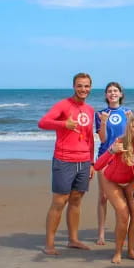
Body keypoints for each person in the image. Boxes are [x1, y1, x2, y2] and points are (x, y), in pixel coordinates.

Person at [38, 73, 94, 255]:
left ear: (90, 88)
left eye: (86, 86)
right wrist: (63, 124)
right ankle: (50, 244)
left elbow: (90, 139)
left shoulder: (90, 110)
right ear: (74, 87)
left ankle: (73, 240)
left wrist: (92, 162)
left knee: (76, 200)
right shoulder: (64, 105)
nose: (83, 89)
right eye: (79, 86)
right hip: (64, 160)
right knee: (59, 201)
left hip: (84, 161)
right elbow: (43, 122)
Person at [94, 115, 134, 264]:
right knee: (123, 214)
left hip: (131, 180)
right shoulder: (120, 141)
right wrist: (111, 151)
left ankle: (132, 251)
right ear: (129, 128)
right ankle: (118, 252)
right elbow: (98, 166)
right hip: (111, 181)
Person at [94, 82, 131, 245]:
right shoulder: (100, 114)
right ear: (106, 95)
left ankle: (121, 230)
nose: (112, 93)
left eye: (115, 91)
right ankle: (101, 233)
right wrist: (103, 122)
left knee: (120, 196)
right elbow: (102, 139)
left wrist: (130, 120)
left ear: (121, 94)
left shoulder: (127, 113)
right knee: (103, 197)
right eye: (109, 91)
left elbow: (132, 137)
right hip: (105, 156)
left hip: (122, 158)